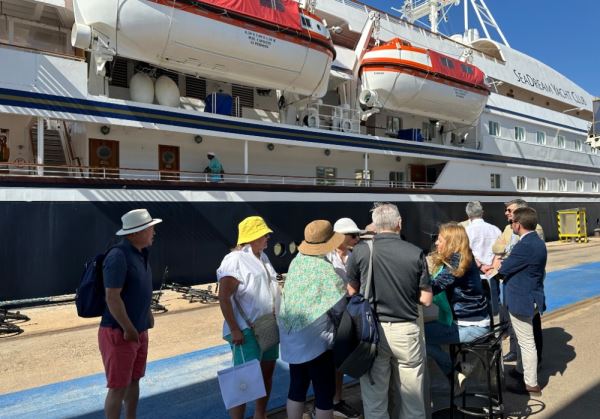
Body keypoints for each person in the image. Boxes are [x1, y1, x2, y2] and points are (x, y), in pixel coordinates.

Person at [346, 203, 432, 419]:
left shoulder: (360, 251)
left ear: (374, 225)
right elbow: (426, 299)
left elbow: (351, 291)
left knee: (375, 400)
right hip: (406, 331)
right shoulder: (415, 252)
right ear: (399, 223)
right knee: (412, 400)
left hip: (372, 332)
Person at [279, 220, 347, 419]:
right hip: (317, 340)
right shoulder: (326, 270)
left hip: (292, 336)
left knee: (297, 386)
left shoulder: (296, 262)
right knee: (324, 391)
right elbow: (339, 306)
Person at [99, 208, 162, 419]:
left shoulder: (141, 253)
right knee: (118, 387)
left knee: (134, 380)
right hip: (120, 332)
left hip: (138, 330)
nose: (153, 231)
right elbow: (112, 297)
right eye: (149, 228)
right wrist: (128, 328)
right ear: (135, 233)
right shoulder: (118, 256)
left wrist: (147, 316)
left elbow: (139, 290)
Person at [217, 216, 280, 419]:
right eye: (264, 234)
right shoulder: (234, 260)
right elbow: (224, 295)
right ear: (253, 237)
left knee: (266, 373)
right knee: (244, 382)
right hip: (247, 330)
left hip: (267, 325)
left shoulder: (262, 256)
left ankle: (260, 415)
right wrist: (235, 328)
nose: (268, 237)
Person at [424, 223, 490, 392]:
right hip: (476, 321)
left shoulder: (456, 261)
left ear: (451, 242)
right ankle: (457, 369)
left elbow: (436, 285)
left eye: (439, 240)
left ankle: (454, 371)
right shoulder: (464, 257)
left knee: (419, 337)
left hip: (470, 327)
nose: (436, 244)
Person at [494, 207, 546, 396]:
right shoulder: (537, 241)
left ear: (519, 224)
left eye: (512, 222)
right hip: (531, 296)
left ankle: (530, 384)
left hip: (522, 298)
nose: (511, 225)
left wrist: (499, 266)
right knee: (527, 340)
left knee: (526, 342)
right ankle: (522, 373)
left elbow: (505, 268)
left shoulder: (524, 245)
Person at [326, 218, 362, 418]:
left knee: (341, 360)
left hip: (348, 314)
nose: (357, 239)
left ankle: (336, 399)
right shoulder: (325, 257)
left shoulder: (354, 256)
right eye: (353, 235)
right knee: (327, 361)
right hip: (328, 316)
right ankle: (328, 400)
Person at [464, 201, 501, 272]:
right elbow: (501, 252)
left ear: (468, 215)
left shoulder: (466, 231)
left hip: (474, 270)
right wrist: (493, 267)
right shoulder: (496, 229)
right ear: (482, 213)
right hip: (493, 270)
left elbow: (466, 252)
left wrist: (481, 266)